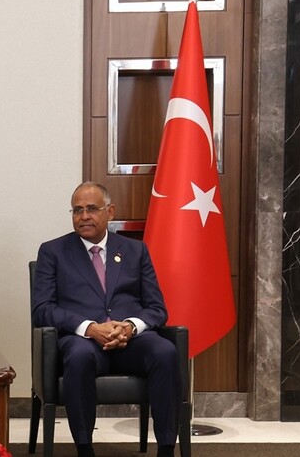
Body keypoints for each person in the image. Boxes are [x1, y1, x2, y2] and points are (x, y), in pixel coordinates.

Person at [31, 182, 181, 457]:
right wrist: (89, 328)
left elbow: (156, 308)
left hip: (131, 341)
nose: (84, 216)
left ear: (110, 212)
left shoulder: (136, 250)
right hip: (83, 341)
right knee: (79, 355)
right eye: (77, 210)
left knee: (165, 351)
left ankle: (167, 449)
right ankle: (84, 448)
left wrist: (130, 327)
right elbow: (42, 309)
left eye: (92, 209)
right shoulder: (53, 251)